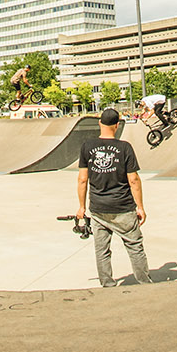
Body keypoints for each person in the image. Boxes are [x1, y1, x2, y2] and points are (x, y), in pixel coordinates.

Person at [75, 108, 150, 288]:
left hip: (99, 208)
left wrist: (81, 207)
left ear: (100, 123)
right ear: (117, 125)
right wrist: (140, 206)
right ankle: (145, 284)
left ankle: (107, 285)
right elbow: (133, 180)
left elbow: (82, 179)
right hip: (123, 207)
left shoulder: (87, 146)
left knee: (102, 250)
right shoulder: (125, 147)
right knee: (134, 247)